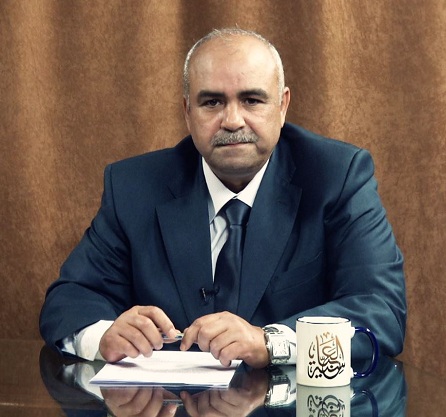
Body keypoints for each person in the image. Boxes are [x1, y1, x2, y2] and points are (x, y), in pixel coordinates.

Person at [40, 28, 406, 370]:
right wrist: (103, 336)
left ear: (282, 106)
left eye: (252, 100)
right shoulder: (134, 187)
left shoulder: (336, 177)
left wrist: (271, 342)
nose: (232, 120)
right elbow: (67, 301)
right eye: (212, 102)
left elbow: (381, 312)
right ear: (187, 112)